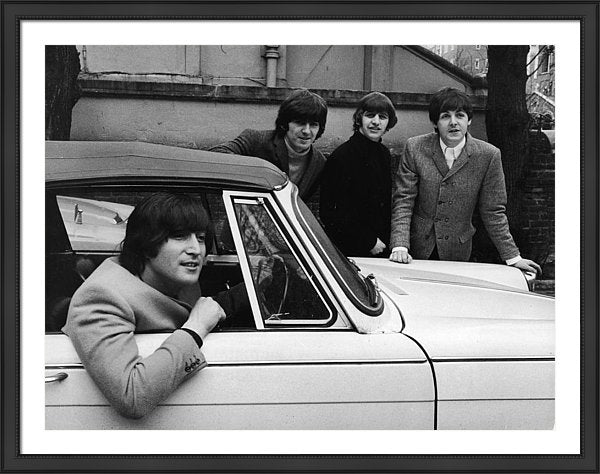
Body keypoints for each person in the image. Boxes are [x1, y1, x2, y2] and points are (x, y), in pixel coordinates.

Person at [62, 192, 249, 419]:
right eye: (179, 236)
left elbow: (195, 309)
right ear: (146, 242)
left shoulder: (174, 277)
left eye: (200, 238)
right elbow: (132, 395)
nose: (196, 249)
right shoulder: (102, 296)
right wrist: (195, 329)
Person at [389, 87, 541, 275]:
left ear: (468, 120)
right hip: (416, 250)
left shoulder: (488, 155)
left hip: (458, 251)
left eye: (460, 115)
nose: (453, 123)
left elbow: (493, 211)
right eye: (445, 116)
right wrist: (400, 245)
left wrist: (513, 257)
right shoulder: (415, 147)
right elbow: (403, 200)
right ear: (435, 122)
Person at [209, 88, 328, 199]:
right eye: (299, 123)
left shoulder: (319, 162)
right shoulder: (255, 140)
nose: (306, 131)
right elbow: (215, 155)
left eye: (313, 124)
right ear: (285, 124)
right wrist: (262, 172)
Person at [319, 92, 397, 257]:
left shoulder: (384, 154)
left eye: (382, 117)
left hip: (381, 248)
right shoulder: (341, 157)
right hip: (350, 251)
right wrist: (368, 241)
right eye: (370, 115)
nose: (376, 122)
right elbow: (330, 213)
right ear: (359, 118)